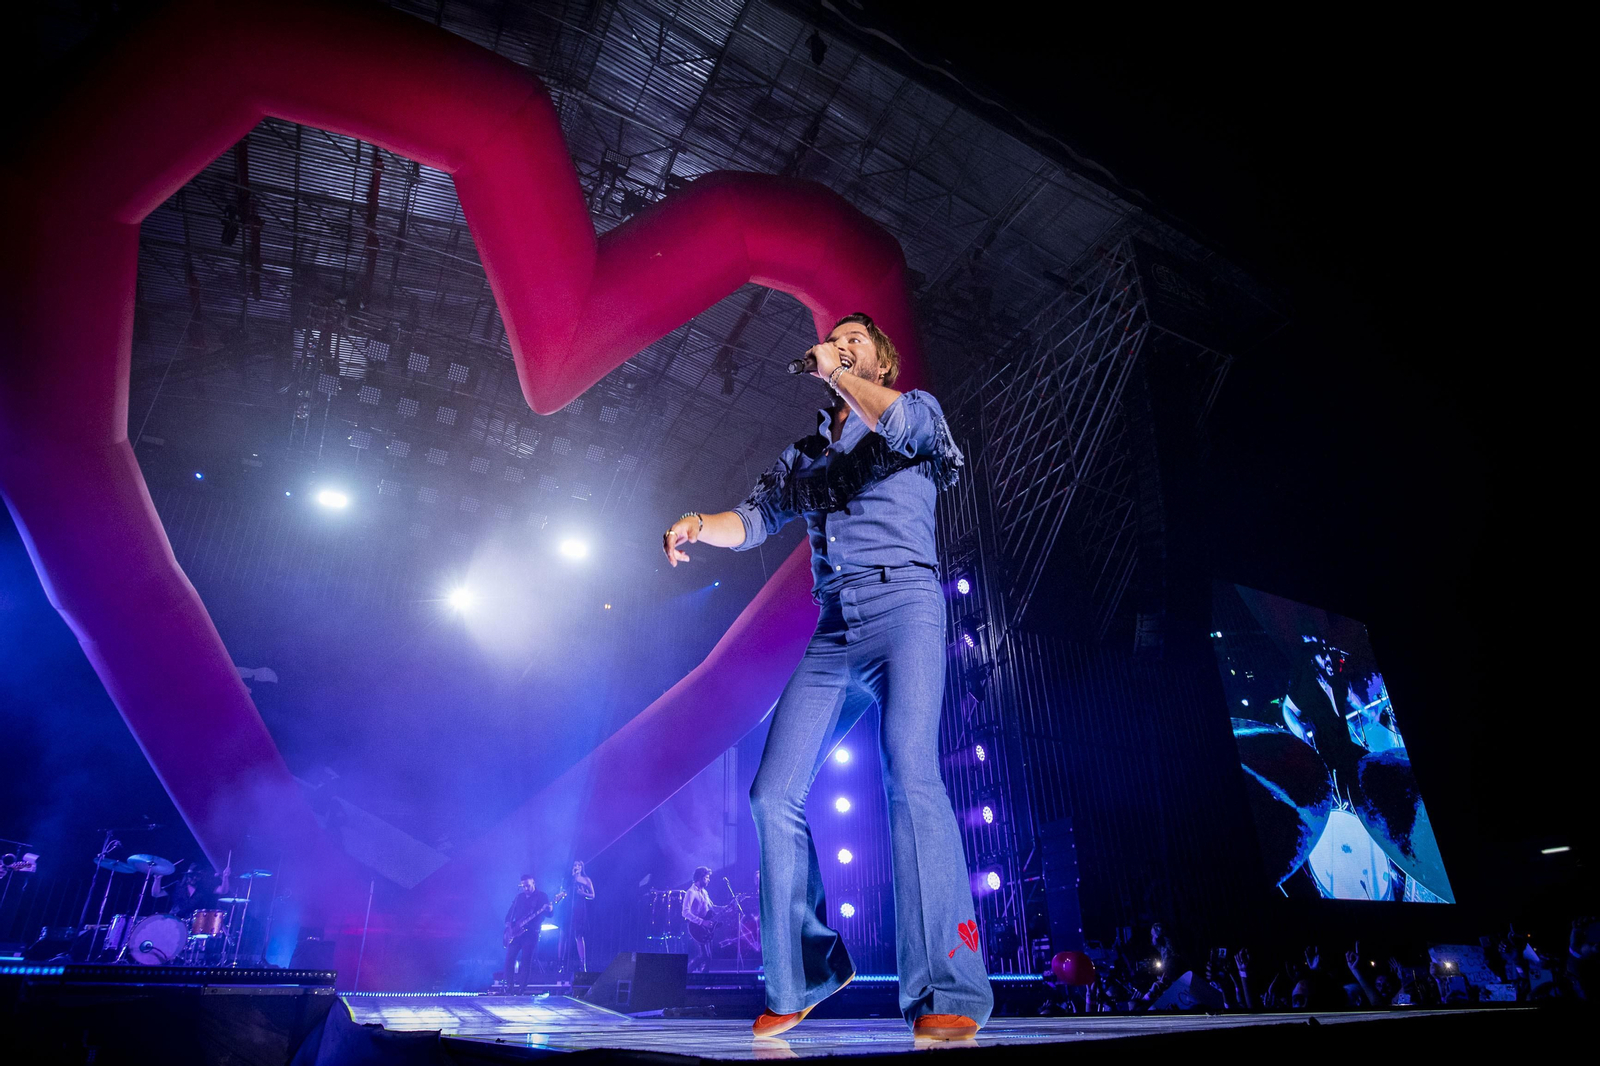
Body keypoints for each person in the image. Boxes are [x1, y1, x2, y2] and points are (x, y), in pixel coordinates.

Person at [662, 313, 989, 1041]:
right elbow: (752, 519)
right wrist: (696, 522)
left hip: (904, 606)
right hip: (836, 627)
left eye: (855, 342)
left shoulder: (914, 409)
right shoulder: (805, 454)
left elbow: (904, 430)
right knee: (772, 792)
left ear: (880, 361)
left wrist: (835, 371)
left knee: (910, 772)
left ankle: (948, 988)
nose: (840, 346)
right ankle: (804, 973)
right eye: (833, 339)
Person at [503, 874, 551, 994]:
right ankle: (509, 987)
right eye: (523, 886)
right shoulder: (519, 897)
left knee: (526, 961)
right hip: (516, 933)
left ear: (533, 883)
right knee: (509, 959)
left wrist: (550, 909)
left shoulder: (542, 896)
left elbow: (549, 914)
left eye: (528, 886)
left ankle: (521, 989)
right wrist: (509, 927)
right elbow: (510, 914)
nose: (526, 888)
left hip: (531, 933)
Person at [153, 859, 230, 919]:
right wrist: (157, 880)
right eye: (192, 875)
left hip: (195, 923)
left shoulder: (204, 887)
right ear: (187, 876)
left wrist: (225, 877)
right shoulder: (177, 885)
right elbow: (156, 894)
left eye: (197, 876)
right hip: (175, 920)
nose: (194, 878)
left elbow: (223, 890)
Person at [561, 860, 595, 974]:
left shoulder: (586, 880)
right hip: (568, 908)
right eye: (574, 865)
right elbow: (563, 892)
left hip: (579, 908)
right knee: (563, 934)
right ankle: (560, 963)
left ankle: (582, 964)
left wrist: (583, 894)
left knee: (578, 936)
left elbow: (593, 895)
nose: (576, 867)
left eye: (578, 865)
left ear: (581, 867)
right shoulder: (569, 880)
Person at [682, 866, 716, 974]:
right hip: (695, 928)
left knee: (708, 957)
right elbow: (685, 912)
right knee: (704, 956)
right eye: (706, 878)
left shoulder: (704, 892)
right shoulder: (691, 892)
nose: (708, 880)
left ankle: (703, 983)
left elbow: (712, 907)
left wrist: (727, 907)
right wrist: (702, 922)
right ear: (700, 878)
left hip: (704, 928)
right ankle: (685, 975)